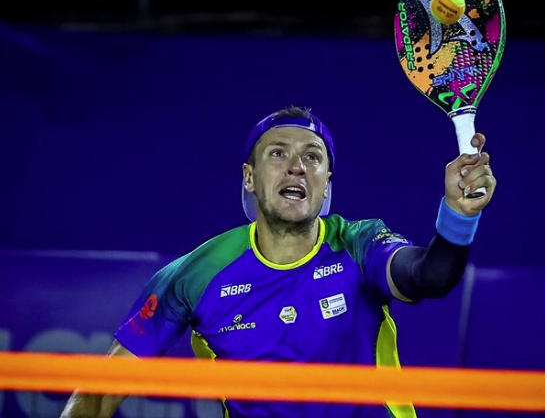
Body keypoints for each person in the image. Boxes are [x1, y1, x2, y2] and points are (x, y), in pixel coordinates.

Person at [60, 106, 496, 418]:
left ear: (326, 186)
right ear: (249, 177)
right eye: (277, 153)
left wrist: (458, 216)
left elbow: (430, 276)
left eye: (312, 157)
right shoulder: (194, 275)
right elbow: (98, 394)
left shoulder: (358, 242)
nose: (296, 167)